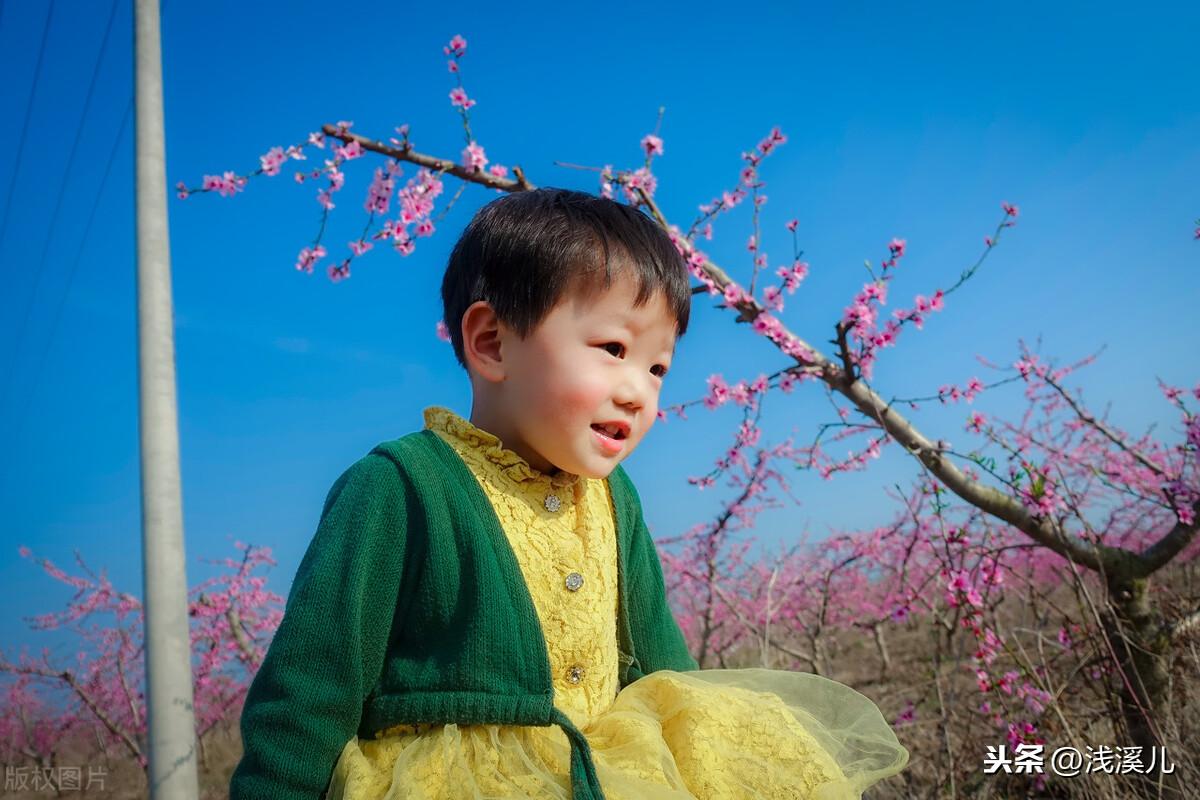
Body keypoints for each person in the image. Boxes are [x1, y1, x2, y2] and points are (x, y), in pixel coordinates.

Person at [229, 188, 908, 800]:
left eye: (658, 366)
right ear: (492, 341)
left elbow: (663, 667)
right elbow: (308, 697)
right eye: (613, 348)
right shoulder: (401, 487)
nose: (638, 389)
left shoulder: (615, 501)